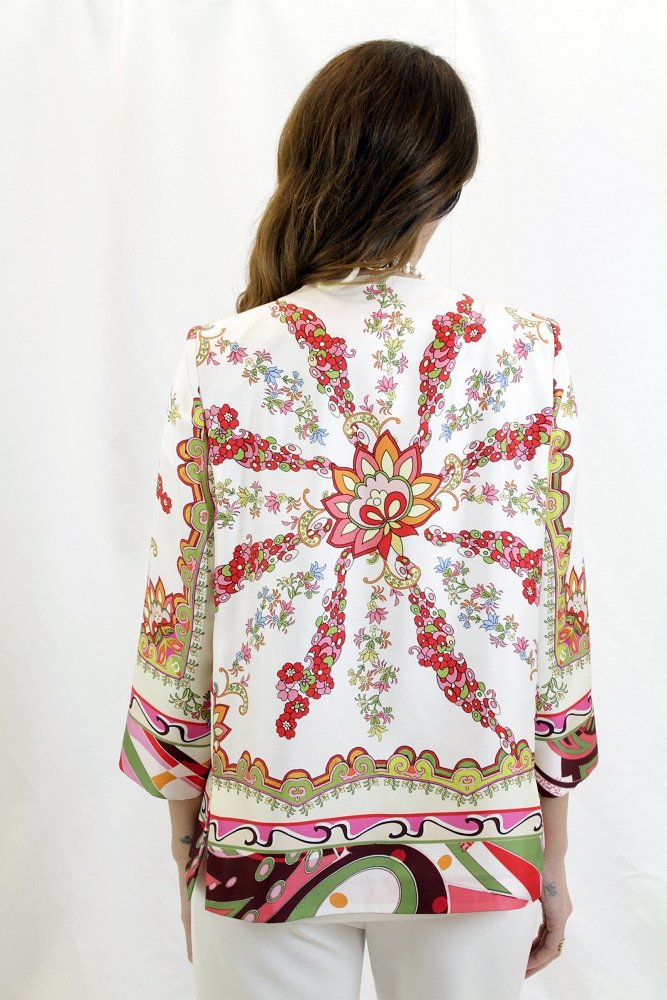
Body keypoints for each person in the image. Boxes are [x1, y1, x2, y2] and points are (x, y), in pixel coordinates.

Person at [119, 39, 597, 1000]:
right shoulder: (528, 355)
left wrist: (184, 843)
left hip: (260, 836)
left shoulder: (221, 357)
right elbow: (555, 624)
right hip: (479, 840)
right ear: (447, 189)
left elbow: (180, 619)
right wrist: (549, 851)